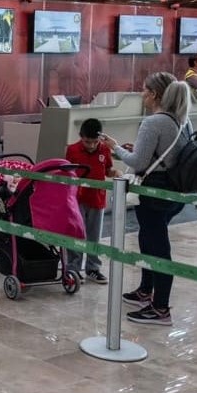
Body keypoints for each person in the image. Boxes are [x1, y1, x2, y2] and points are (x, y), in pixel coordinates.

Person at [101, 72, 191, 326]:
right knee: (150, 238)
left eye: (144, 90)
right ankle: (145, 290)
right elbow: (164, 155)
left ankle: (160, 307)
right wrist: (137, 149)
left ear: (154, 94)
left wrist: (115, 148)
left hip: (155, 193)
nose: (142, 94)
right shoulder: (183, 120)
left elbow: (138, 162)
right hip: (175, 190)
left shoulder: (153, 123)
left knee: (158, 246)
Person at [65, 118, 118, 284]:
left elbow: (107, 170)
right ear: (81, 137)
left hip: (97, 197)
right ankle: (73, 267)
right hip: (78, 198)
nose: (91, 146)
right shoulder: (72, 150)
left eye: (95, 142)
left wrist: (115, 173)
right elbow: (68, 172)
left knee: (94, 235)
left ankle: (93, 267)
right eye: (88, 142)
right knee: (76, 232)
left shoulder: (105, 150)